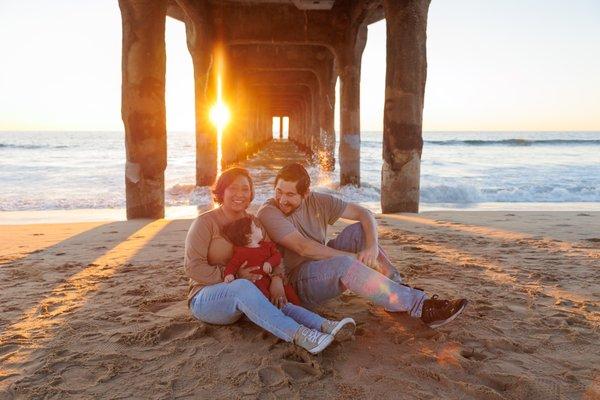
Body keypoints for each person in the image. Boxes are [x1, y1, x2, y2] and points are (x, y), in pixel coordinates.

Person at [257, 163, 468, 329]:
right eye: (278, 191)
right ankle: (421, 307)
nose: (282, 199)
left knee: (359, 232)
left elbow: (364, 214)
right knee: (343, 263)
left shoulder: (318, 201)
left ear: (306, 194)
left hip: (323, 267)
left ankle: (396, 293)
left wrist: (372, 247)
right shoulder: (269, 212)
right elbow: (304, 248)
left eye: (290, 194)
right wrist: (349, 257)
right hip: (298, 282)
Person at [184, 167, 355, 354]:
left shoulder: (254, 222)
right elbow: (193, 268)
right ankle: (300, 335)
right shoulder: (204, 223)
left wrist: (276, 279)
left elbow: (273, 254)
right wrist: (232, 275)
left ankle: (325, 326)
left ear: (251, 194)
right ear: (221, 191)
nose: (239, 194)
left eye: (245, 189)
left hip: (252, 293)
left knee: (278, 301)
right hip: (207, 297)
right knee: (242, 287)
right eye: (233, 188)